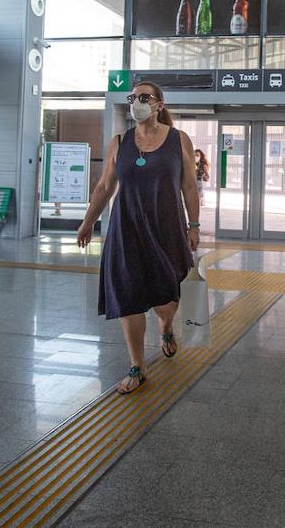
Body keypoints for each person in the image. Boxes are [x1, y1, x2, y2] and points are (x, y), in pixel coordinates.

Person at [77, 82, 201, 395]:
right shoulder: (119, 142)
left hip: (167, 227)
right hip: (126, 228)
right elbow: (105, 187)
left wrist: (194, 225)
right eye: (133, 98)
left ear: (160, 104)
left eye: (144, 98)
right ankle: (137, 365)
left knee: (166, 299)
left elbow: (188, 186)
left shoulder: (178, 140)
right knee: (128, 295)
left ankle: (166, 327)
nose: (137, 103)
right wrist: (88, 221)